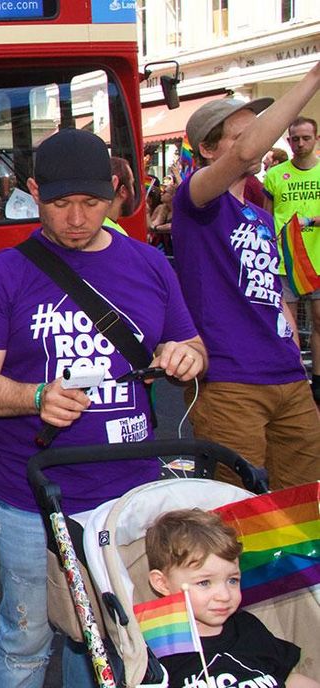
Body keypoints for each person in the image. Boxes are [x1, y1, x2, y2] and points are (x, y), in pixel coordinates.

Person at [0, 128, 206, 688]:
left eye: (91, 204)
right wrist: (34, 396)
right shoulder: (4, 273)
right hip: (32, 498)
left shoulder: (148, 264)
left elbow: (193, 345)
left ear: (116, 191)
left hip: (132, 493)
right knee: (27, 637)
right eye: (59, 204)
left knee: (106, 639)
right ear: (33, 192)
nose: (75, 219)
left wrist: (183, 356)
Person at [171, 67, 320, 490]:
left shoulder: (256, 212)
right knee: (237, 510)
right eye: (241, 135)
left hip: (287, 376)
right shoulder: (198, 198)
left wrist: (291, 337)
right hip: (230, 380)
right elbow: (242, 156)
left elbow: (267, 285)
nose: (256, 142)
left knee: (304, 505)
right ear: (206, 149)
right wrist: (314, 75)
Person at [145, 509, 317, 688]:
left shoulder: (246, 626)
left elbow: (289, 678)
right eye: (204, 583)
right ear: (162, 584)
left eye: (232, 580)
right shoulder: (159, 649)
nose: (225, 595)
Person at [264, 116, 320, 401]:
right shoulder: (275, 175)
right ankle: (296, 380)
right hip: (285, 262)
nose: (300, 144)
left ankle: (319, 385)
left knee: (319, 324)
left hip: (317, 261)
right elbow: (266, 216)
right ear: (288, 140)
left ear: (316, 139)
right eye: (295, 139)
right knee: (289, 327)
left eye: (306, 138)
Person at [103, 156, 135, 236]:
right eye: (132, 184)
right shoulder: (114, 234)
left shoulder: (94, 226)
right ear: (123, 191)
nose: (134, 192)